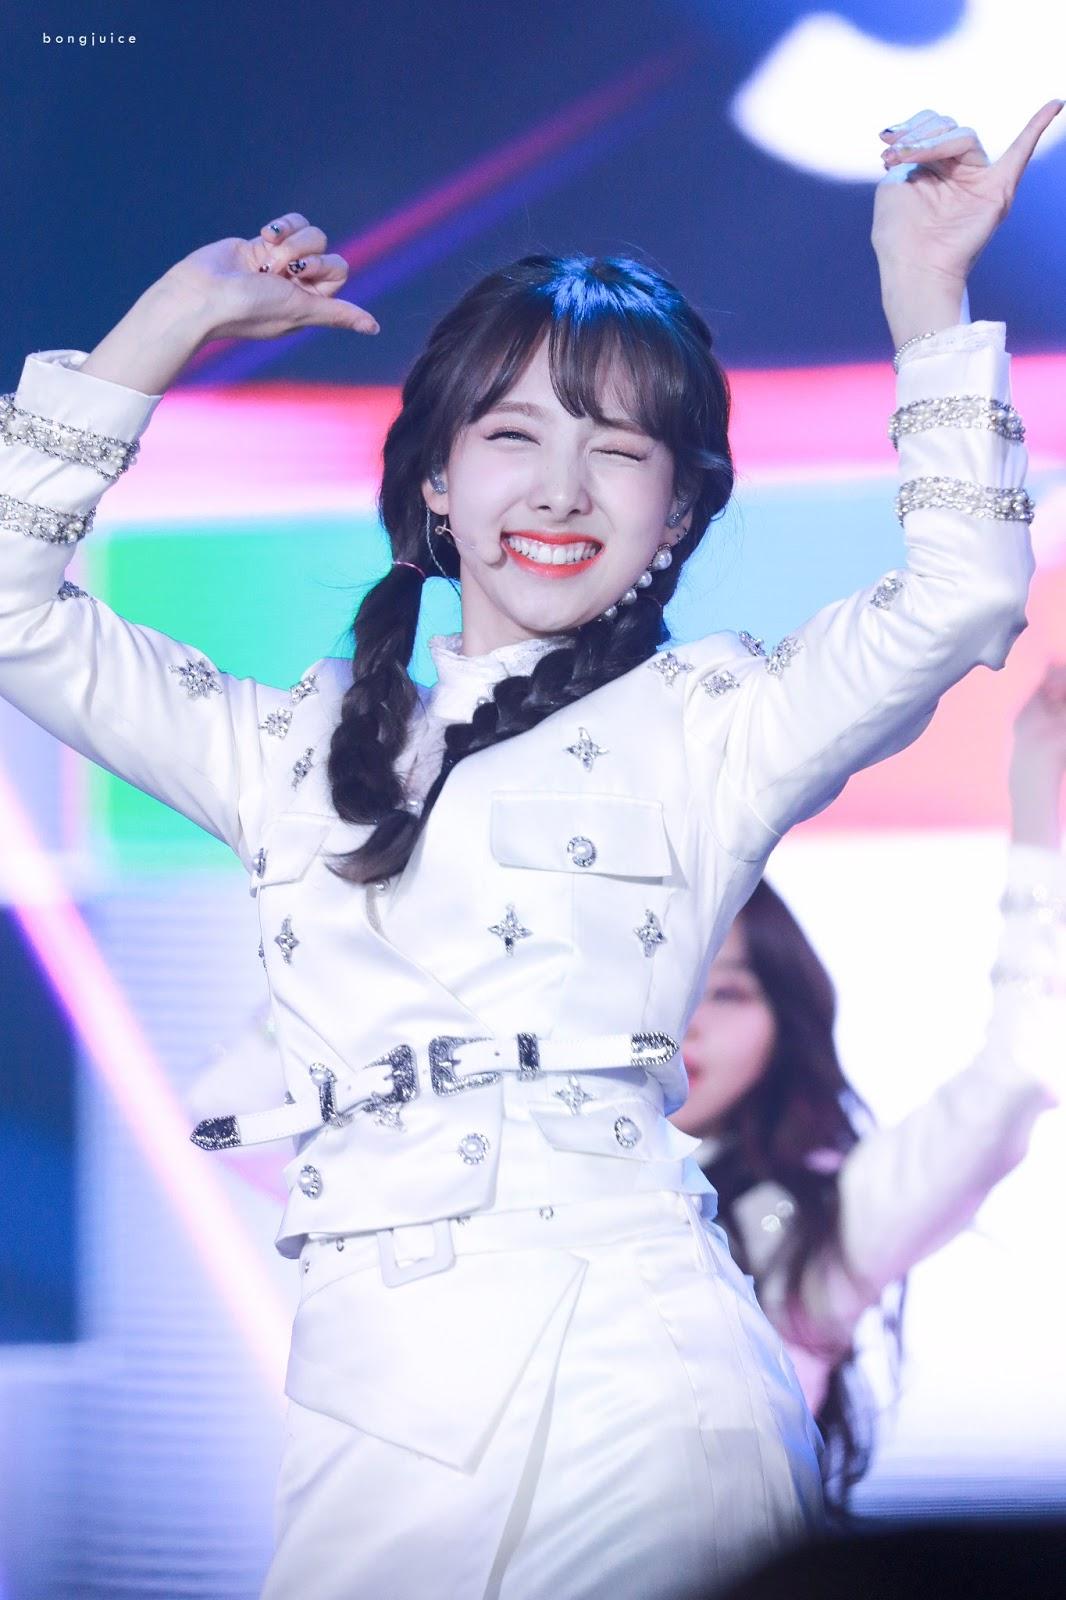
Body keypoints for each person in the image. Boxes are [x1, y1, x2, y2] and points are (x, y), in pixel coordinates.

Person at [0, 102, 1055, 1600]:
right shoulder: (282, 750)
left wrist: (925, 293)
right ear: (435, 481)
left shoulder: (716, 725)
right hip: (372, 1396)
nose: (559, 490)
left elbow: (962, 597)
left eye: (618, 451)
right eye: (512, 436)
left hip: (636, 1367)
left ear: (677, 512)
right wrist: (160, 331)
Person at [674, 665, 1066, 1509]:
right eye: (668, 990)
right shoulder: (510, 1177)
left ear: (784, 1025)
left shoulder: (821, 1226)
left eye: (729, 992)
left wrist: (1038, 805)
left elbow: (1016, 1074)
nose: (687, 1024)